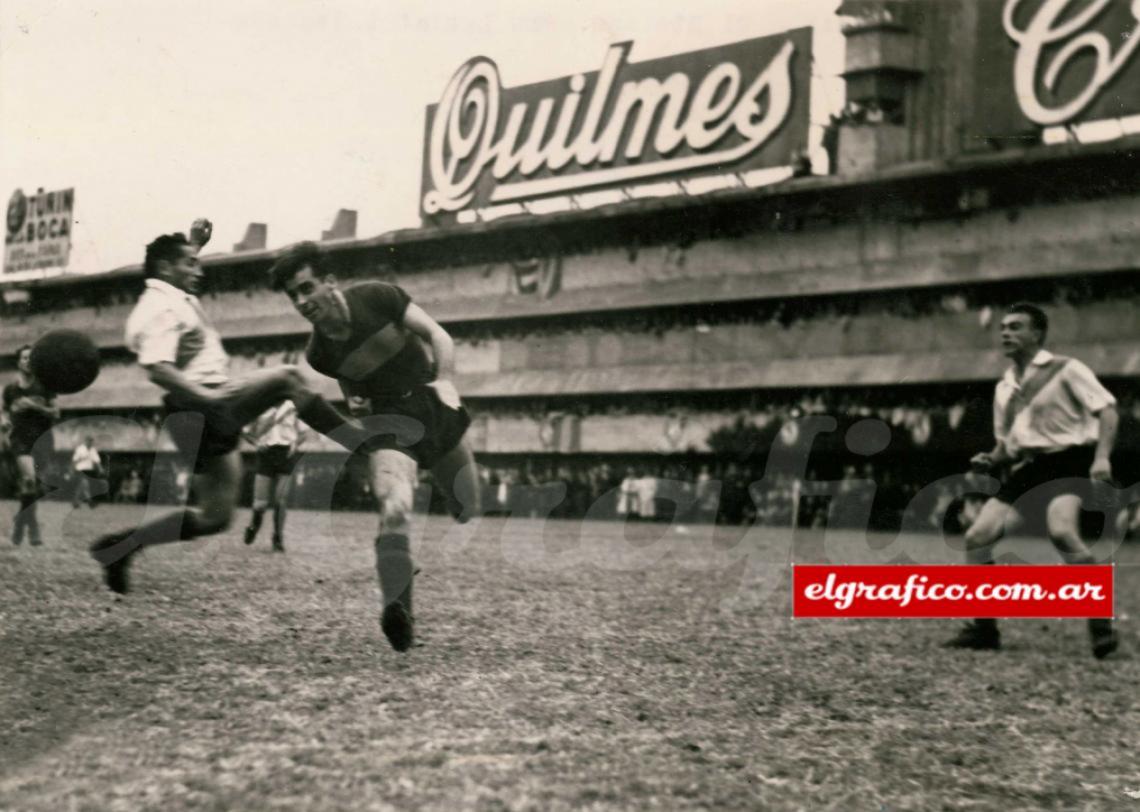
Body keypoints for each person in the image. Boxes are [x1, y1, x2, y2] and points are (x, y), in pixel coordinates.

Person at [88, 220, 374, 594]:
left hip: (196, 413)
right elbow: (158, 368)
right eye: (190, 263)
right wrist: (208, 399)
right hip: (202, 404)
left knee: (215, 517)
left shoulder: (166, 295)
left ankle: (121, 547)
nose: (199, 269)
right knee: (287, 379)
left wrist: (193, 244)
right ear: (165, 269)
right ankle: (360, 443)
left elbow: (174, 271)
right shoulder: (159, 307)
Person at [268, 241, 481, 652]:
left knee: (468, 508)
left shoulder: (378, 296)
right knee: (395, 505)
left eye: (307, 287)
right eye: (294, 295)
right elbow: (352, 380)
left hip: (431, 402)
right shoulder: (318, 353)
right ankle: (398, 607)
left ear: (330, 283)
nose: (302, 300)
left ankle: (435, 486)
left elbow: (439, 334)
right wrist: (357, 405)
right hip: (389, 422)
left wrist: (447, 379)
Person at [945, 303, 1120, 659]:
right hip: (1030, 468)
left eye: (1015, 327)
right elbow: (1006, 445)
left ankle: (1100, 624)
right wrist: (991, 459)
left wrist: (1101, 457)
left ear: (1037, 334)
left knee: (1062, 533)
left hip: (1070, 461)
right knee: (977, 537)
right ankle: (984, 628)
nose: (1005, 333)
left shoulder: (1066, 369)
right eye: (1003, 327)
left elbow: (1108, 411)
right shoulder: (1005, 387)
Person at [2, 344, 60, 546]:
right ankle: (34, 527)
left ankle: (20, 521)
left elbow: (56, 413)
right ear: (18, 362)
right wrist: (4, 422)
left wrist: (33, 405)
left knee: (35, 488)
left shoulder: (45, 385)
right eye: (25, 358)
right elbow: (4, 412)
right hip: (20, 440)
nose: (28, 361)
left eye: (31, 358)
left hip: (43, 439)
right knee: (29, 480)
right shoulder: (10, 389)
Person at [243, 401, 307, 551]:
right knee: (260, 504)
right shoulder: (260, 406)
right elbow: (246, 431)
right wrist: (257, 443)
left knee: (281, 500)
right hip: (266, 455)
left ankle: (278, 537)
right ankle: (253, 526)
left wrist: (295, 444)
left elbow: (303, 433)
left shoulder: (293, 407)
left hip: (286, 455)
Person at [71, 435, 103, 508]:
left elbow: (96, 460)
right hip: (80, 470)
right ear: (85, 441)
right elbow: (74, 460)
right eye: (89, 441)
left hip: (89, 470)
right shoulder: (80, 449)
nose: (90, 443)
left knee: (82, 487)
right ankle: (90, 502)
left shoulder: (93, 450)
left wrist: (100, 468)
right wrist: (72, 469)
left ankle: (75, 502)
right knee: (85, 485)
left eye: (91, 441)